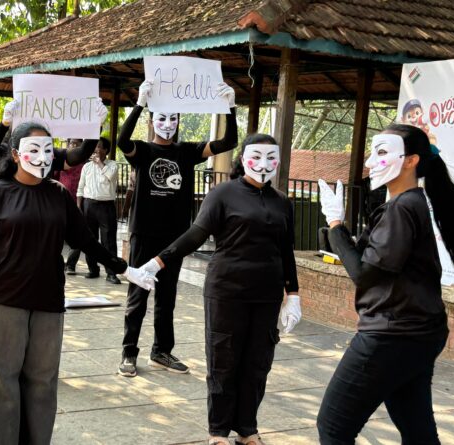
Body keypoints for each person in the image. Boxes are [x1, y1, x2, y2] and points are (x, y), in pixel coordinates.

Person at [0, 121, 146, 444]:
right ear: (16, 155)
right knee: (2, 383)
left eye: (48, 149)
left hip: (47, 302)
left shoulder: (59, 195)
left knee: (43, 383)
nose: (43, 157)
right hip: (2, 301)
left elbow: (87, 241)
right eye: (34, 150)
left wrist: (124, 268)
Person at [130, 134, 301, 445]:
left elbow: (286, 251)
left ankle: (247, 428)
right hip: (226, 290)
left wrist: (294, 295)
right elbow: (195, 235)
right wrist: (157, 262)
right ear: (243, 158)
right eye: (257, 156)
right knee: (224, 360)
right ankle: (218, 431)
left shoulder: (282, 203)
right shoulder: (223, 194)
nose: (264, 164)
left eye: (271, 157)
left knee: (257, 363)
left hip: (267, 294)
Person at [316, 124, 454, 444]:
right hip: (417, 332)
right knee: (417, 429)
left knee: (333, 426)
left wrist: (336, 224)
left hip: (393, 334)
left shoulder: (405, 208)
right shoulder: (407, 205)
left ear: (411, 161)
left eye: (381, 153)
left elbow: (364, 275)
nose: (368, 163)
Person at [117, 80, 238, 376]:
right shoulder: (143, 152)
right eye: (162, 118)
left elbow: (228, 142)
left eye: (173, 118)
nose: (168, 124)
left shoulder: (187, 152)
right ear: (152, 120)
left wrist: (231, 108)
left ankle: (161, 351)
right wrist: (139, 103)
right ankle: (128, 352)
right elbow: (122, 142)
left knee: (167, 298)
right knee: (138, 295)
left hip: (175, 238)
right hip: (144, 233)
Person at [76, 137, 121, 284]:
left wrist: (100, 163)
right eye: (94, 147)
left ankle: (111, 272)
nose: (96, 150)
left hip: (106, 206)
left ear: (106, 150)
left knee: (108, 240)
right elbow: (80, 188)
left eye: (99, 147)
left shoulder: (112, 165)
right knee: (90, 239)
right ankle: (92, 269)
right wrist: (79, 207)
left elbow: (110, 176)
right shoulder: (86, 167)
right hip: (89, 205)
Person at [59, 138, 86, 275]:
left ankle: (70, 265)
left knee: (76, 234)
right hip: (60, 202)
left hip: (78, 204)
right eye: (72, 143)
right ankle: (57, 262)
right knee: (57, 234)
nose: (74, 145)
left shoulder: (85, 164)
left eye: (77, 143)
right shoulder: (61, 160)